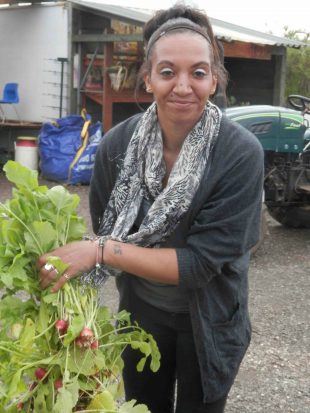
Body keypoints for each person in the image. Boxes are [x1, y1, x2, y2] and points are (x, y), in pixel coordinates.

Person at [38, 4, 264, 413]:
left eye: (197, 72)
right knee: (143, 406)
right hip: (142, 317)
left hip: (210, 321)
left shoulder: (238, 154)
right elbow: (111, 226)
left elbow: (199, 265)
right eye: (167, 72)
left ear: (214, 79)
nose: (183, 86)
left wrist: (98, 251)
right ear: (148, 78)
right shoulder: (115, 148)